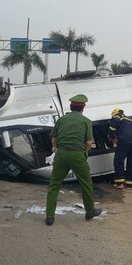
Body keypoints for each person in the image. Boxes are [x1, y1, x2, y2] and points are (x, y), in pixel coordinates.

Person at [45, 94, 102, 226]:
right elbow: (88, 143)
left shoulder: (62, 119)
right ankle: (89, 211)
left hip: (61, 154)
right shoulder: (86, 121)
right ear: (83, 108)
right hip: (77, 155)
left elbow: (53, 139)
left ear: (71, 107)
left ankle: (49, 217)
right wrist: (84, 152)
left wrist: (57, 149)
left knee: (54, 184)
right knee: (86, 183)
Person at [108, 108, 132, 189]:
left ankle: (119, 183)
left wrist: (111, 137)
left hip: (124, 141)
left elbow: (113, 127)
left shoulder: (118, 117)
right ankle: (130, 183)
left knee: (119, 160)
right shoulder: (131, 120)